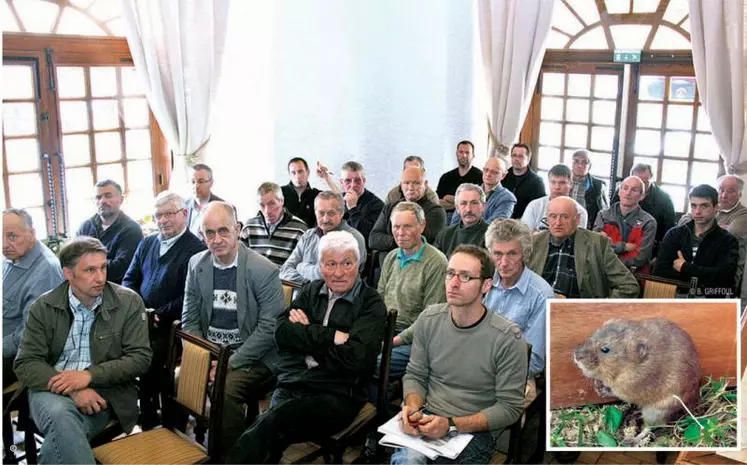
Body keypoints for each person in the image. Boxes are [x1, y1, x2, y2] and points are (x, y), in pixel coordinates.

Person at [225, 231, 386, 464]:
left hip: (338, 394)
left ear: (358, 264)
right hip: (296, 381)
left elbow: (357, 360)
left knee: (272, 422)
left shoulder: (371, 303)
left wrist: (307, 337)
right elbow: (281, 333)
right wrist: (330, 336)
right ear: (320, 265)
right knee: (273, 430)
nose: (339, 272)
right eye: (330, 264)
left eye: (347, 263)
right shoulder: (312, 290)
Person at [14, 237, 152, 465]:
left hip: (104, 393)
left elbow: (140, 358)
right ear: (68, 274)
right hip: (50, 388)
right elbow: (26, 363)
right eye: (90, 270)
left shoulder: (128, 302)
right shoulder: (43, 307)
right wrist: (73, 390)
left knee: (60, 437)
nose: (100, 277)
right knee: (61, 416)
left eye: (103, 267)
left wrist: (89, 376)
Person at [390, 245, 527, 465]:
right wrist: (412, 406)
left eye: (465, 277)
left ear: (486, 285)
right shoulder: (429, 319)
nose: (453, 283)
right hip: (429, 414)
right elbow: (415, 374)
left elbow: (510, 407)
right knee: (407, 461)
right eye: (450, 273)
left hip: (474, 429)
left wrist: (451, 424)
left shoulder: (507, 338)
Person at [182, 201, 286, 455]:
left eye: (223, 231)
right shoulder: (196, 264)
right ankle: (179, 452)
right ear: (202, 235)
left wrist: (228, 363)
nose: (217, 239)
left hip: (254, 355)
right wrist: (202, 359)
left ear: (238, 229)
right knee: (177, 380)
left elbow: (269, 329)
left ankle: (231, 457)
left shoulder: (264, 270)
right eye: (209, 233)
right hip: (213, 351)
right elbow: (189, 319)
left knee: (225, 391)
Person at [121, 191, 206, 428]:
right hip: (141, 319)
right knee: (112, 347)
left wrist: (158, 314)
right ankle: (139, 410)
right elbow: (129, 279)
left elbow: (191, 296)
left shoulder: (195, 249)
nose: (163, 220)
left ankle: (165, 416)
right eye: (158, 215)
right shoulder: (147, 242)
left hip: (173, 326)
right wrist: (141, 311)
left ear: (184, 214)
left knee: (147, 357)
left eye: (169, 214)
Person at [527, 196, 640, 298]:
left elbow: (629, 286)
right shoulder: (534, 242)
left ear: (577, 219)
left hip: (577, 314)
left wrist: (597, 310)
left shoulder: (598, 244)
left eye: (565, 217)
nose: (558, 223)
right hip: (538, 311)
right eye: (553, 216)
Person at [483, 219, 553, 381]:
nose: (504, 263)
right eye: (498, 254)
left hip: (510, 377)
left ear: (524, 253)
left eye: (512, 253)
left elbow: (533, 361)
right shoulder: (482, 281)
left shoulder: (541, 295)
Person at [3, 209, 63, 388]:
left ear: (31, 234)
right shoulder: (12, 257)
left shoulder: (45, 271)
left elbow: (29, 336)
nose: (4, 244)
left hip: (18, 357)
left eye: (12, 236)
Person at [654, 184, 739, 298]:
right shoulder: (674, 234)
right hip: (675, 295)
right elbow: (659, 272)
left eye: (704, 206)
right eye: (693, 206)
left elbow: (724, 279)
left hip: (709, 300)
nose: (697, 212)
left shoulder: (728, 240)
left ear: (716, 207)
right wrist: (704, 274)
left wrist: (684, 267)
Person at [280, 191, 366, 283]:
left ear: (341, 213)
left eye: (331, 213)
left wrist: (301, 267)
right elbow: (284, 271)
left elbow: (335, 277)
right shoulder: (308, 236)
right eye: (321, 213)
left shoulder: (354, 239)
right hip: (303, 293)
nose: (325, 219)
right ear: (315, 213)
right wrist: (308, 283)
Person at [370, 167, 446, 265]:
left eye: (416, 183)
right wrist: (400, 240)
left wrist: (388, 243)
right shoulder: (389, 208)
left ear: (425, 184)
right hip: (387, 268)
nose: (410, 187)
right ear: (401, 185)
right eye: (406, 183)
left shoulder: (436, 212)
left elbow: (415, 240)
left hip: (419, 266)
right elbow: (373, 239)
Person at [75, 179, 143, 284]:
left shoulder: (132, 230)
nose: (102, 201)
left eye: (108, 196)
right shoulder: (85, 226)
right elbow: (74, 260)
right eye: (98, 197)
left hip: (117, 291)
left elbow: (119, 269)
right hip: (86, 289)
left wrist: (86, 265)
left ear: (121, 200)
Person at [593, 176, 657, 273]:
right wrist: (624, 247)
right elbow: (596, 247)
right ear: (619, 191)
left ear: (641, 196)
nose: (628, 193)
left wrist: (608, 252)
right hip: (602, 273)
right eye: (625, 188)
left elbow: (639, 258)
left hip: (633, 276)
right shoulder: (603, 215)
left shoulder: (648, 222)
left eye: (634, 190)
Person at [611, 163, 675, 258]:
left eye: (645, 183)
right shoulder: (621, 192)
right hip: (619, 246)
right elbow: (611, 217)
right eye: (636, 181)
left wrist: (660, 255)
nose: (640, 187)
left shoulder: (664, 199)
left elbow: (669, 230)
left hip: (651, 248)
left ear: (651, 180)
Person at [316, 161, 384, 247]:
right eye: (348, 181)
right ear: (342, 183)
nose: (353, 185)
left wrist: (352, 208)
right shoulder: (341, 199)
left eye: (357, 180)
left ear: (364, 181)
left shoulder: (376, 205)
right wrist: (326, 178)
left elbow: (369, 237)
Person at [240, 182, 308, 266]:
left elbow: (303, 267)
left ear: (281, 201)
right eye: (262, 205)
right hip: (253, 277)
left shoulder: (300, 229)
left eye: (272, 204)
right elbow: (241, 261)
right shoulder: (249, 227)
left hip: (284, 278)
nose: (267, 211)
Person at [449, 156, 515, 225]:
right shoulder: (469, 191)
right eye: (486, 170)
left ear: (503, 176)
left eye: (494, 172)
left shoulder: (507, 198)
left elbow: (494, 227)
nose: (488, 174)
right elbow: (455, 222)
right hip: (461, 234)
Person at [522, 165, 589, 231]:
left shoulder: (580, 212)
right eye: (553, 182)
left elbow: (576, 239)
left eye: (562, 183)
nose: (557, 187)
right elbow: (524, 236)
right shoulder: (534, 206)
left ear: (571, 184)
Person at [434, 184, 489, 256]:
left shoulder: (491, 235)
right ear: (457, 208)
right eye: (463, 203)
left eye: (474, 203)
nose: (468, 209)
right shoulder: (445, 234)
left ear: (483, 206)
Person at [436, 141, 483, 216]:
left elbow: (477, 204)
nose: (464, 155)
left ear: (473, 155)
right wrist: (462, 203)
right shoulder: (446, 177)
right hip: (444, 218)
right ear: (456, 154)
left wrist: (448, 198)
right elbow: (438, 203)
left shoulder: (480, 177)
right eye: (461, 152)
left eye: (467, 152)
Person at [502, 143, 546, 219]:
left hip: (525, 223)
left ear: (528, 159)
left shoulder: (536, 181)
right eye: (514, 155)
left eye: (520, 156)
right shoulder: (503, 176)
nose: (516, 159)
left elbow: (539, 208)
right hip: (502, 219)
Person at [568, 149, 609, 229]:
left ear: (590, 166)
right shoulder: (563, 181)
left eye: (584, 162)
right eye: (576, 161)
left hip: (587, 229)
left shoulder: (599, 185)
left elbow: (605, 213)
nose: (579, 165)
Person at [186, 164, 224, 238]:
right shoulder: (183, 206)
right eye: (193, 182)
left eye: (201, 181)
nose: (196, 186)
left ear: (211, 183)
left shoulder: (223, 208)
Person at [281, 157, 321, 228]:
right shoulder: (279, 193)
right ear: (289, 174)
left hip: (309, 237)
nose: (297, 176)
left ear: (308, 172)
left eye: (300, 171)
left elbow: (340, 201)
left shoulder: (316, 195)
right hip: (285, 236)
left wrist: (326, 178)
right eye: (293, 173)